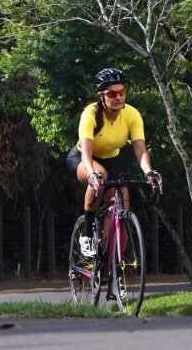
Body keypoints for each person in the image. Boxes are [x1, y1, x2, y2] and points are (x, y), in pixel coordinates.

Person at [66, 68, 162, 258]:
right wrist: (92, 173)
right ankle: (86, 235)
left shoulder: (132, 114)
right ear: (101, 95)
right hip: (84, 158)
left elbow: (140, 150)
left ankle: (114, 267)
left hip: (112, 160)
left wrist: (149, 172)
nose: (118, 97)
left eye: (122, 92)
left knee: (122, 210)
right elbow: (86, 151)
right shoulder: (91, 113)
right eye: (112, 93)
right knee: (100, 177)